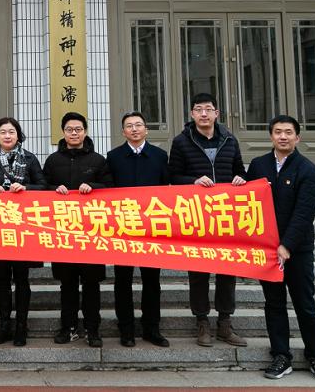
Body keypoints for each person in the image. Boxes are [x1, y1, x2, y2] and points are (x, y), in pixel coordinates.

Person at [248, 115, 315, 383]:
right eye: (277, 132)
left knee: (304, 303)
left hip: (297, 250)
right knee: (273, 304)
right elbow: (248, 201)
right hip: (267, 249)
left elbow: (305, 212)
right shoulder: (258, 165)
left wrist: (287, 245)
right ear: (271, 136)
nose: (282, 137)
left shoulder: (307, 169)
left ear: (298, 137)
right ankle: (281, 356)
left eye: (288, 132)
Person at [168, 93, 248, 347]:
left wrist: (240, 179)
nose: (204, 114)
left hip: (225, 216)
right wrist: (193, 181)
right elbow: (173, 176)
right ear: (192, 114)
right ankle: (202, 321)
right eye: (199, 109)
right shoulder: (181, 142)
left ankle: (225, 322)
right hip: (196, 216)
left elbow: (240, 172)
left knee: (227, 271)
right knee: (198, 272)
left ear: (216, 113)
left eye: (208, 109)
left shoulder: (230, 140)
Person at [42, 111, 112, 347]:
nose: (74, 133)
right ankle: (68, 327)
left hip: (92, 233)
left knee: (92, 285)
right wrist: (54, 189)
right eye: (70, 129)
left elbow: (111, 188)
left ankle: (93, 329)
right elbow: (42, 187)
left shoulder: (98, 160)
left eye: (78, 129)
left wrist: (92, 186)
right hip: (63, 232)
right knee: (67, 284)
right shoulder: (53, 161)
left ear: (85, 131)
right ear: (63, 132)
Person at [106, 111, 171, 348]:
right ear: (123, 132)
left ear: (146, 129)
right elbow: (108, 191)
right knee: (122, 280)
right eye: (129, 126)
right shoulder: (113, 157)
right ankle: (126, 329)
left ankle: (152, 328)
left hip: (152, 228)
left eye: (138, 125)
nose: (134, 129)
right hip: (123, 228)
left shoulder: (160, 156)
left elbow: (166, 190)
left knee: (151, 280)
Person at [0, 116, 45, 346]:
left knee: (22, 278)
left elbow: (43, 186)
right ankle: (4, 325)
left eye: (11, 132)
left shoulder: (30, 158)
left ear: (18, 135)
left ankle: (21, 326)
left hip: (24, 228)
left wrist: (26, 188)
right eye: (3, 132)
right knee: (2, 279)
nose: (7, 136)